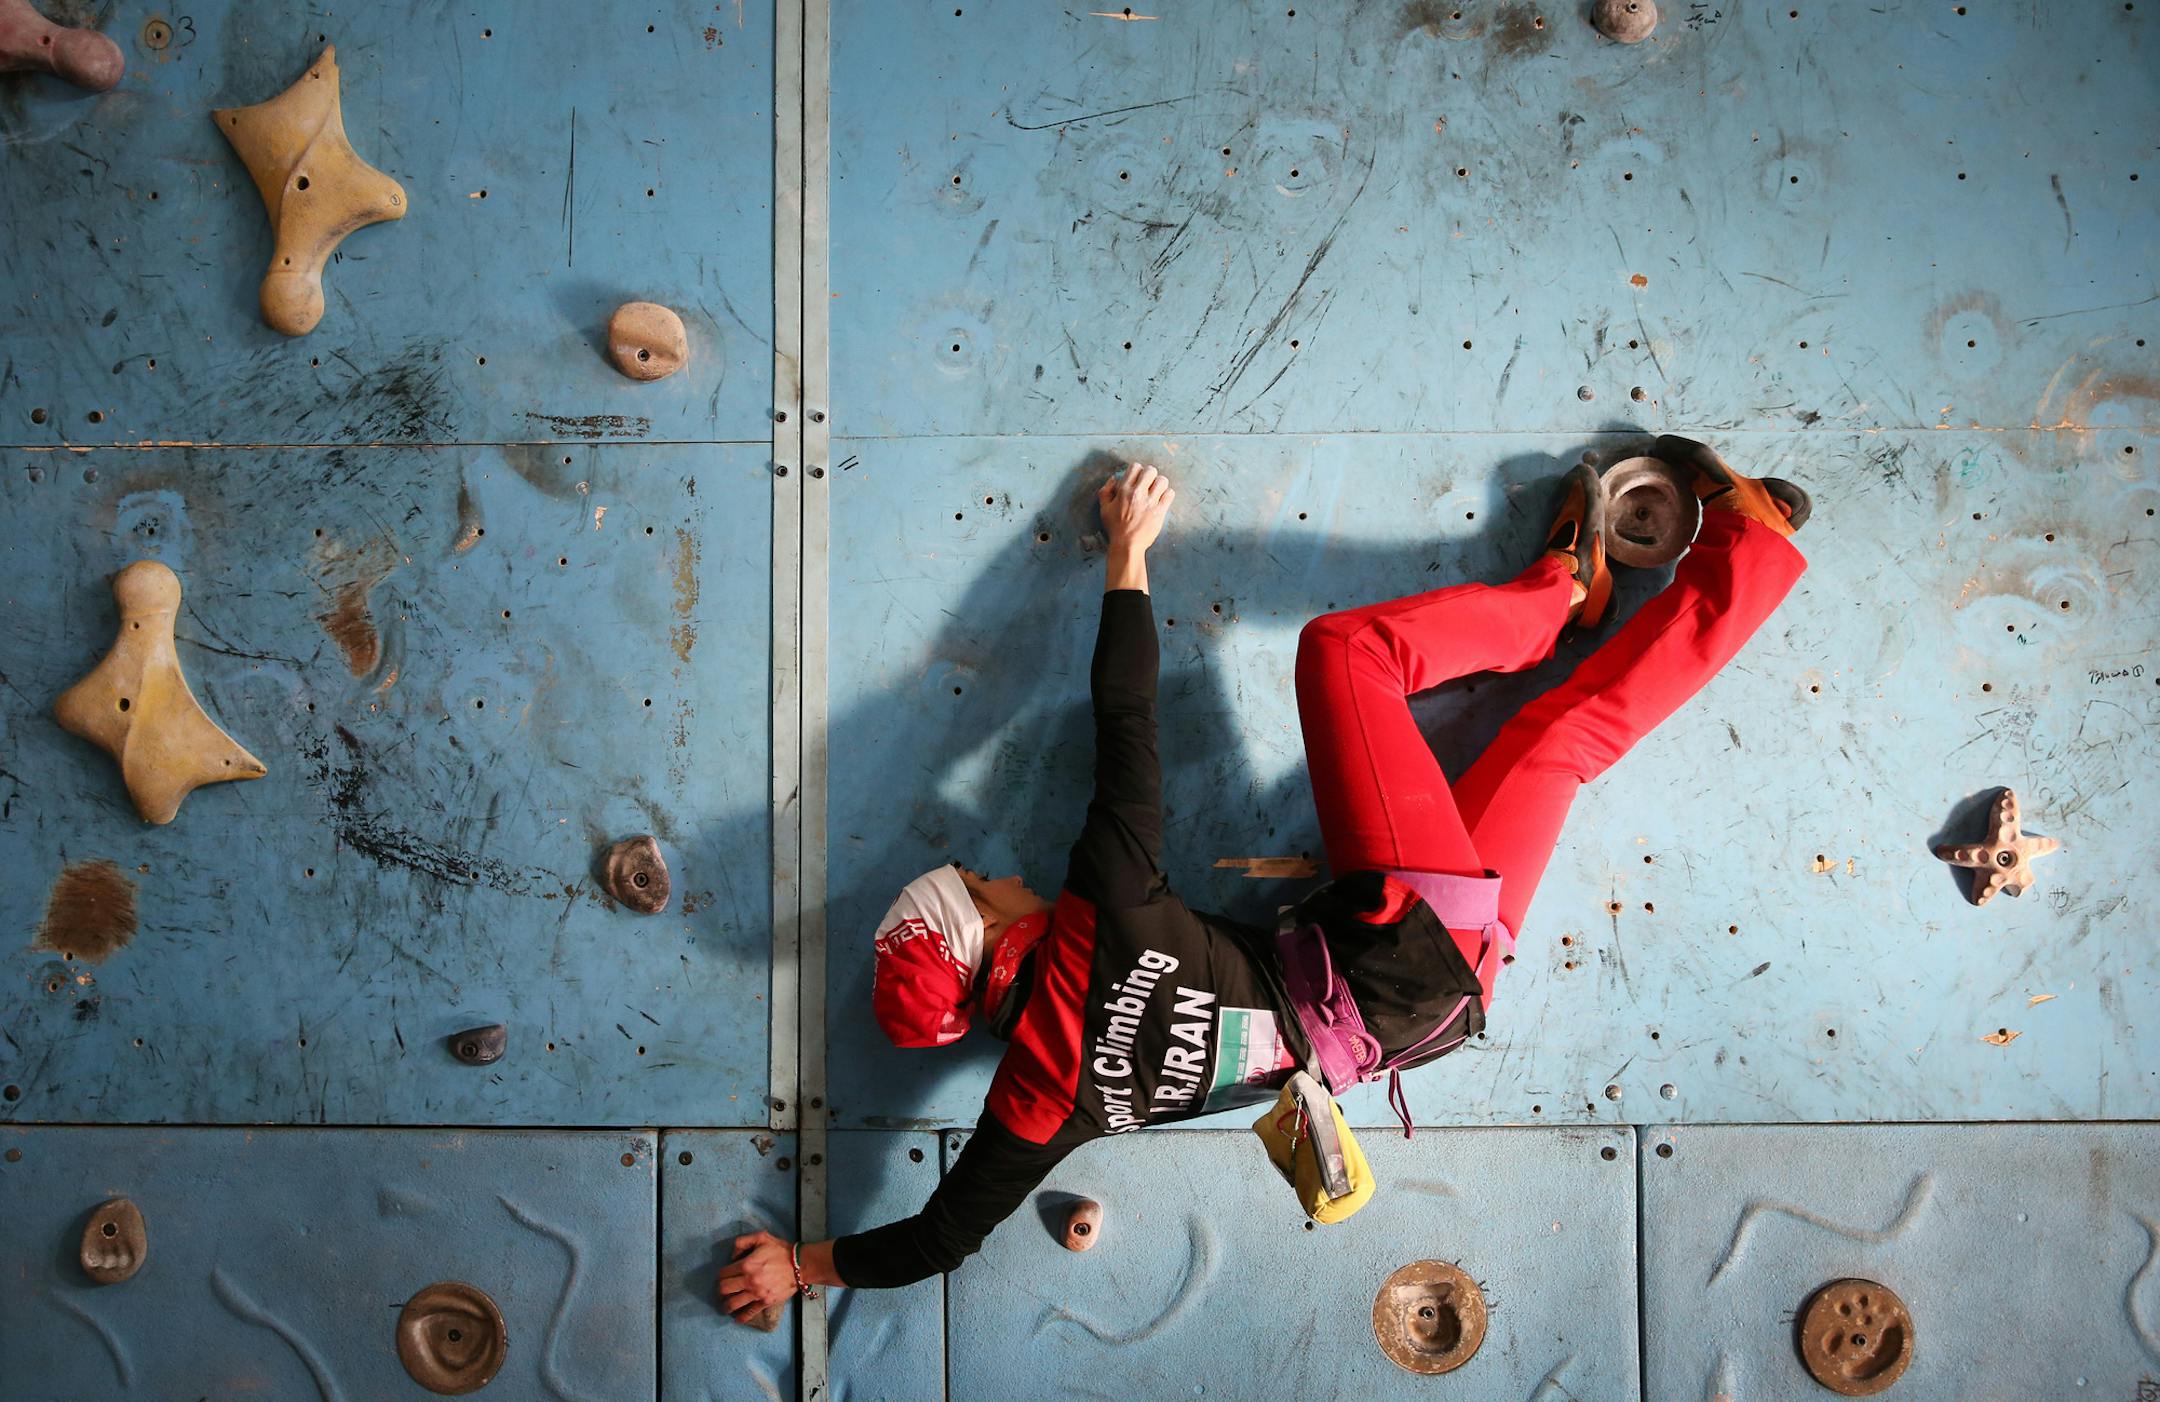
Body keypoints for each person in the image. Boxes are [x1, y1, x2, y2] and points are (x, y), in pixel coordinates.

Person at [717, 446, 1809, 1319]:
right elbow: (1126, 722)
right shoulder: (1099, 911)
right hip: (1394, 929)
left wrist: (801, 1268)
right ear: (986, 934)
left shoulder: (1037, 1107)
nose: (998, 869)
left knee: (1563, 742)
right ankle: (1559, 593)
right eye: (978, 881)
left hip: (1444, 1002)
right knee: (1347, 654)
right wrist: (1127, 551)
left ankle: (1675, 570)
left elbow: (940, 1240)